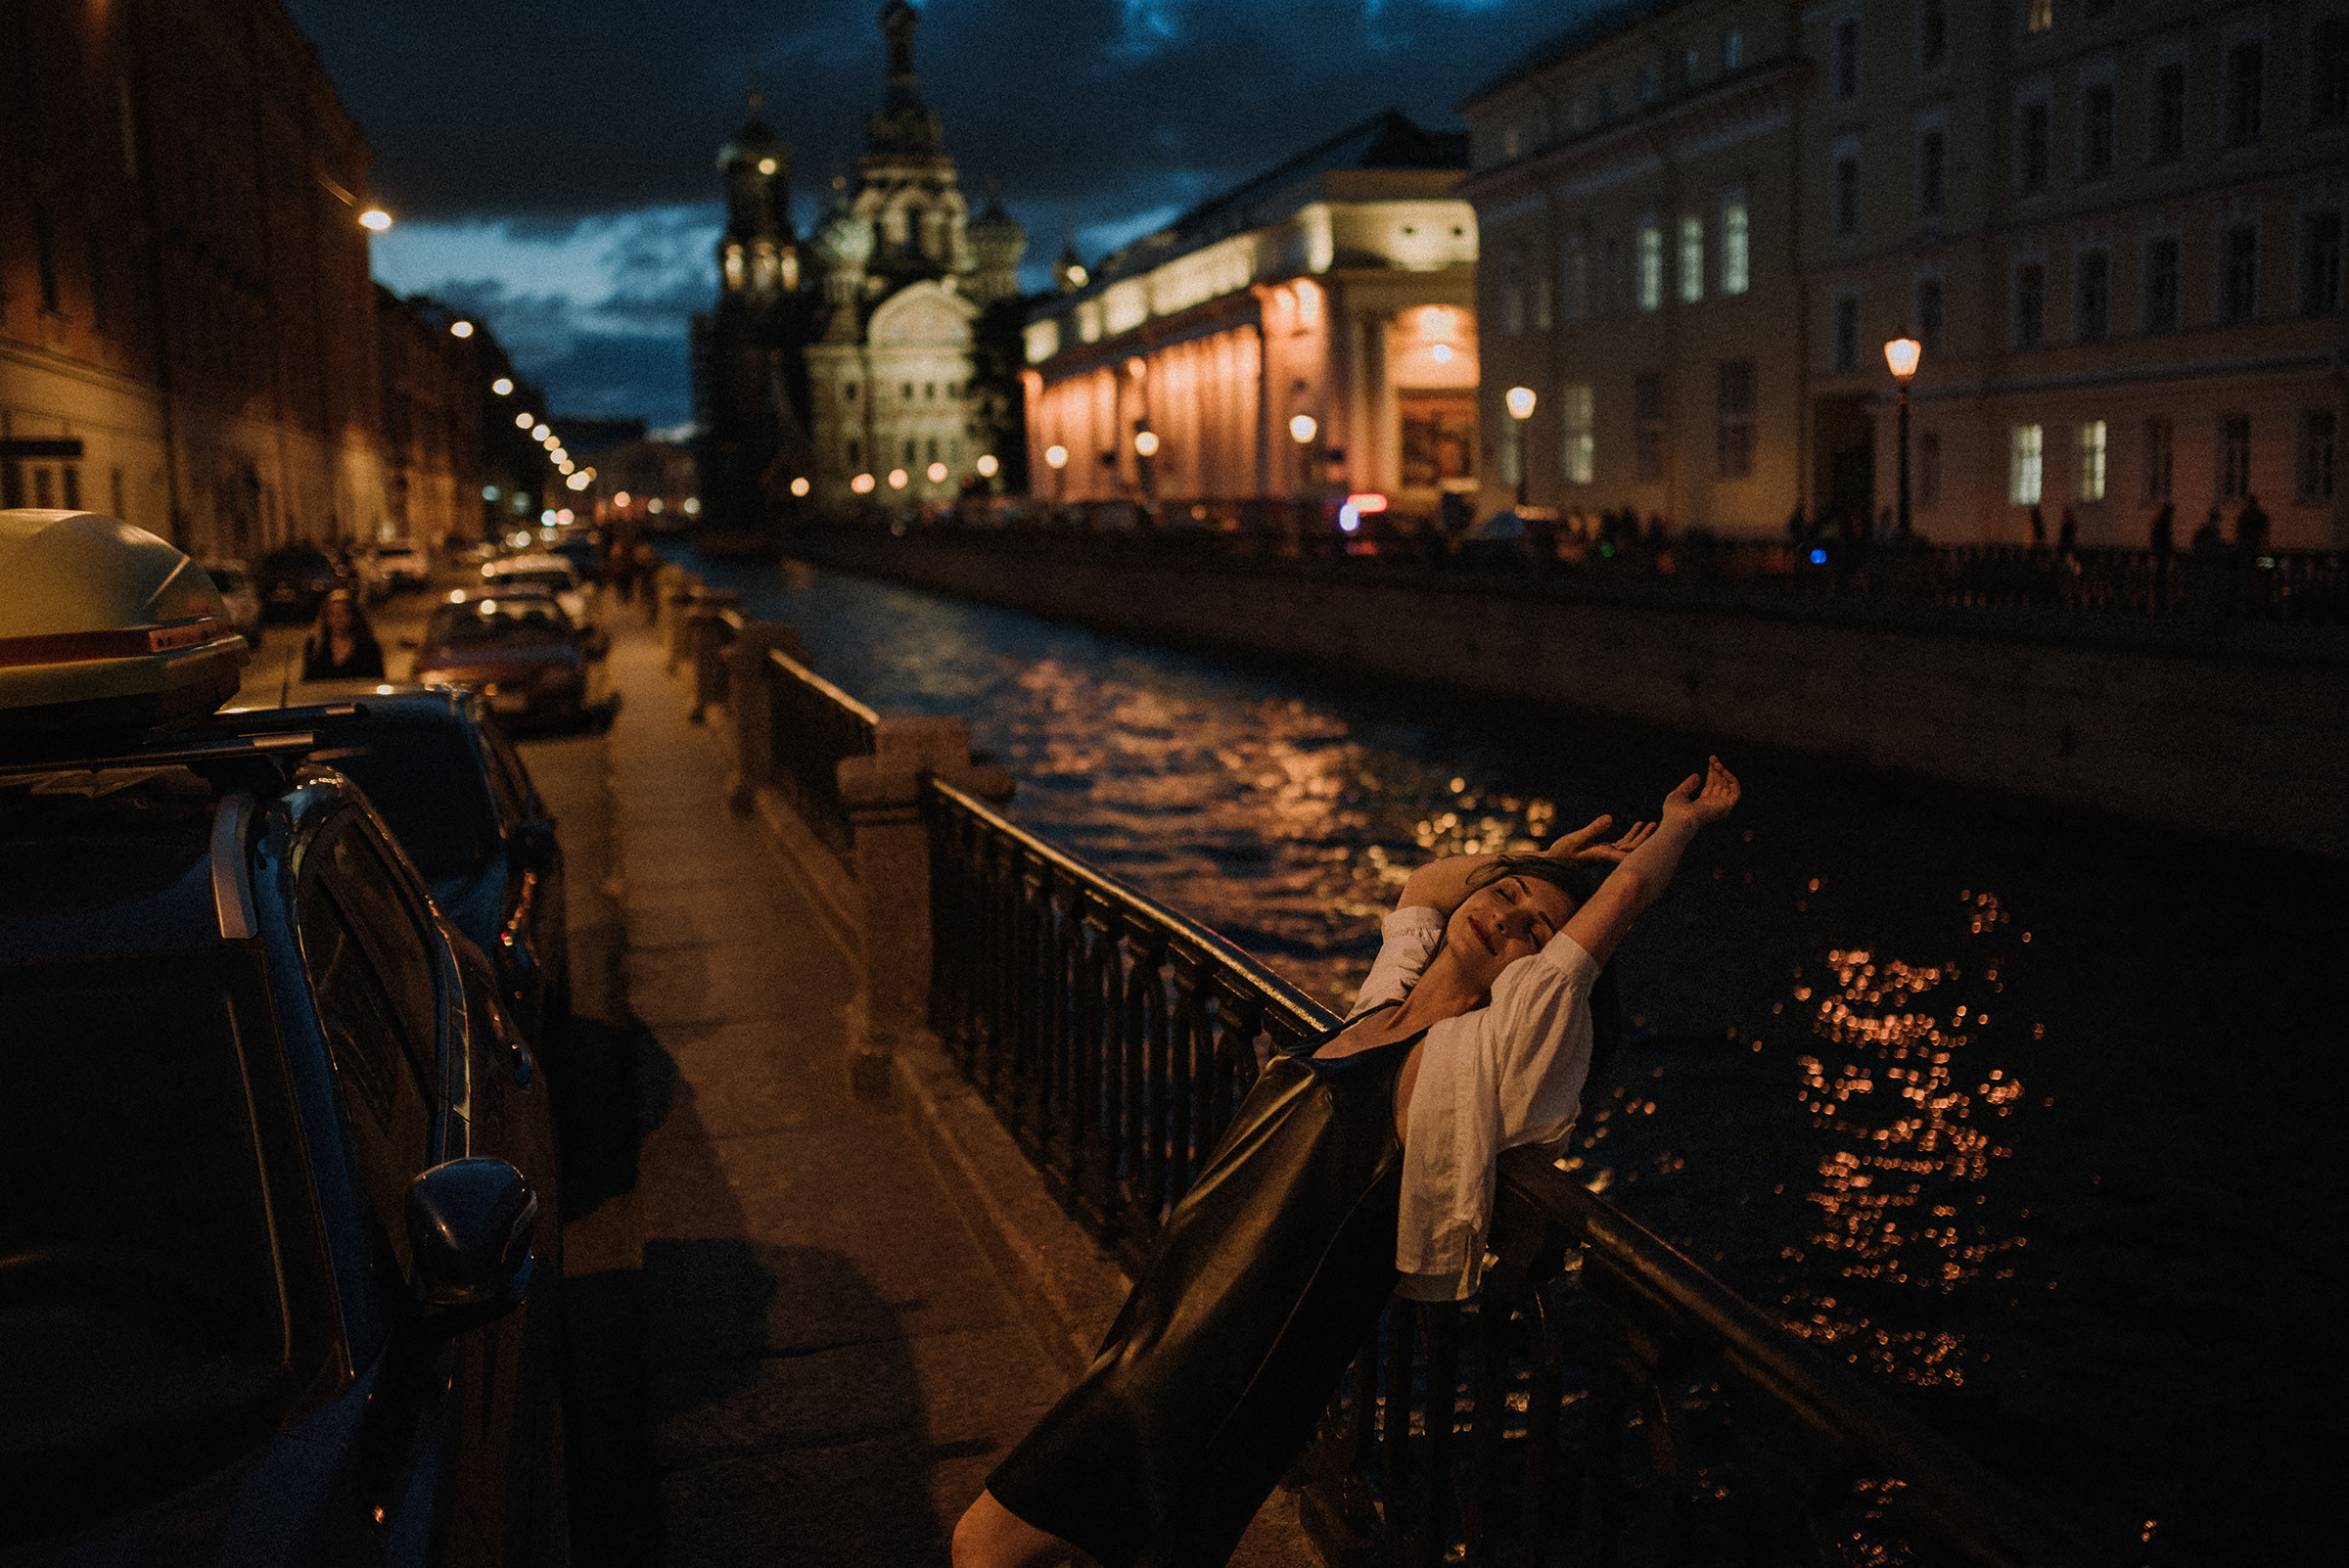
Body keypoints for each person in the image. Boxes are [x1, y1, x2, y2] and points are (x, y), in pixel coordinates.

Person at [954, 761, 1743, 1568]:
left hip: (1218, 1366)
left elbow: (1610, 917)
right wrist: (1534, 863)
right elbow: (1424, 884)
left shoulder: (1462, 1064)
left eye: (1536, 933)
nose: (1508, 922)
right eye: (1504, 899)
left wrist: (1676, 825)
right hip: (1170, 1320)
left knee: (985, 1541)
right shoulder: (1381, 1008)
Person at [299, 587, 385, 680]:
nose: (337, 619)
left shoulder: (368, 648)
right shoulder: (316, 647)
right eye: (332, 614)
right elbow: (307, 683)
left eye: (343, 613)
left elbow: (377, 683)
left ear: (353, 616)